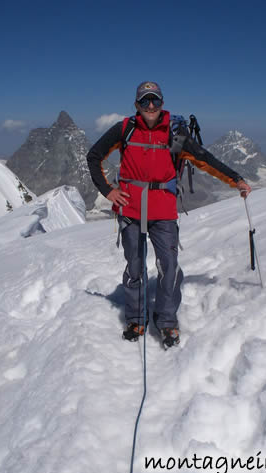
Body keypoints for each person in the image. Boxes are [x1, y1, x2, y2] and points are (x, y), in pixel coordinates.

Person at [87, 81, 251, 349]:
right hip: (130, 209)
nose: (150, 106)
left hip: (163, 210)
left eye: (155, 100)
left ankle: (166, 320)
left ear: (162, 103)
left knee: (169, 266)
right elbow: (93, 156)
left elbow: (206, 159)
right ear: (137, 105)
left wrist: (237, 180)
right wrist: (108, 191)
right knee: (135, 266)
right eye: (145, 101)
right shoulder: (125, 128)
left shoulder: (175, 134)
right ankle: (135, 317)